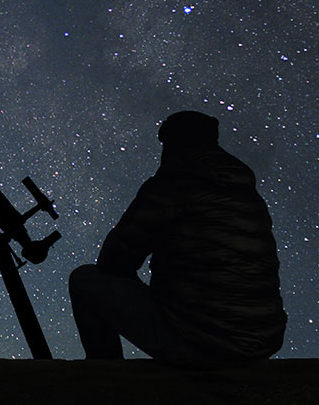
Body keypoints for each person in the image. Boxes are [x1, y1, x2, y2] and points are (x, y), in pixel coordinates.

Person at [69, 111, 287, 366]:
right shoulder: (247, 195)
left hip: (202, 344)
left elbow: (114, 261)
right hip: (260, 342)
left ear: (173, 142)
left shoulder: (171, 185)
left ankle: (105, 379)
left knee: (85, 280)